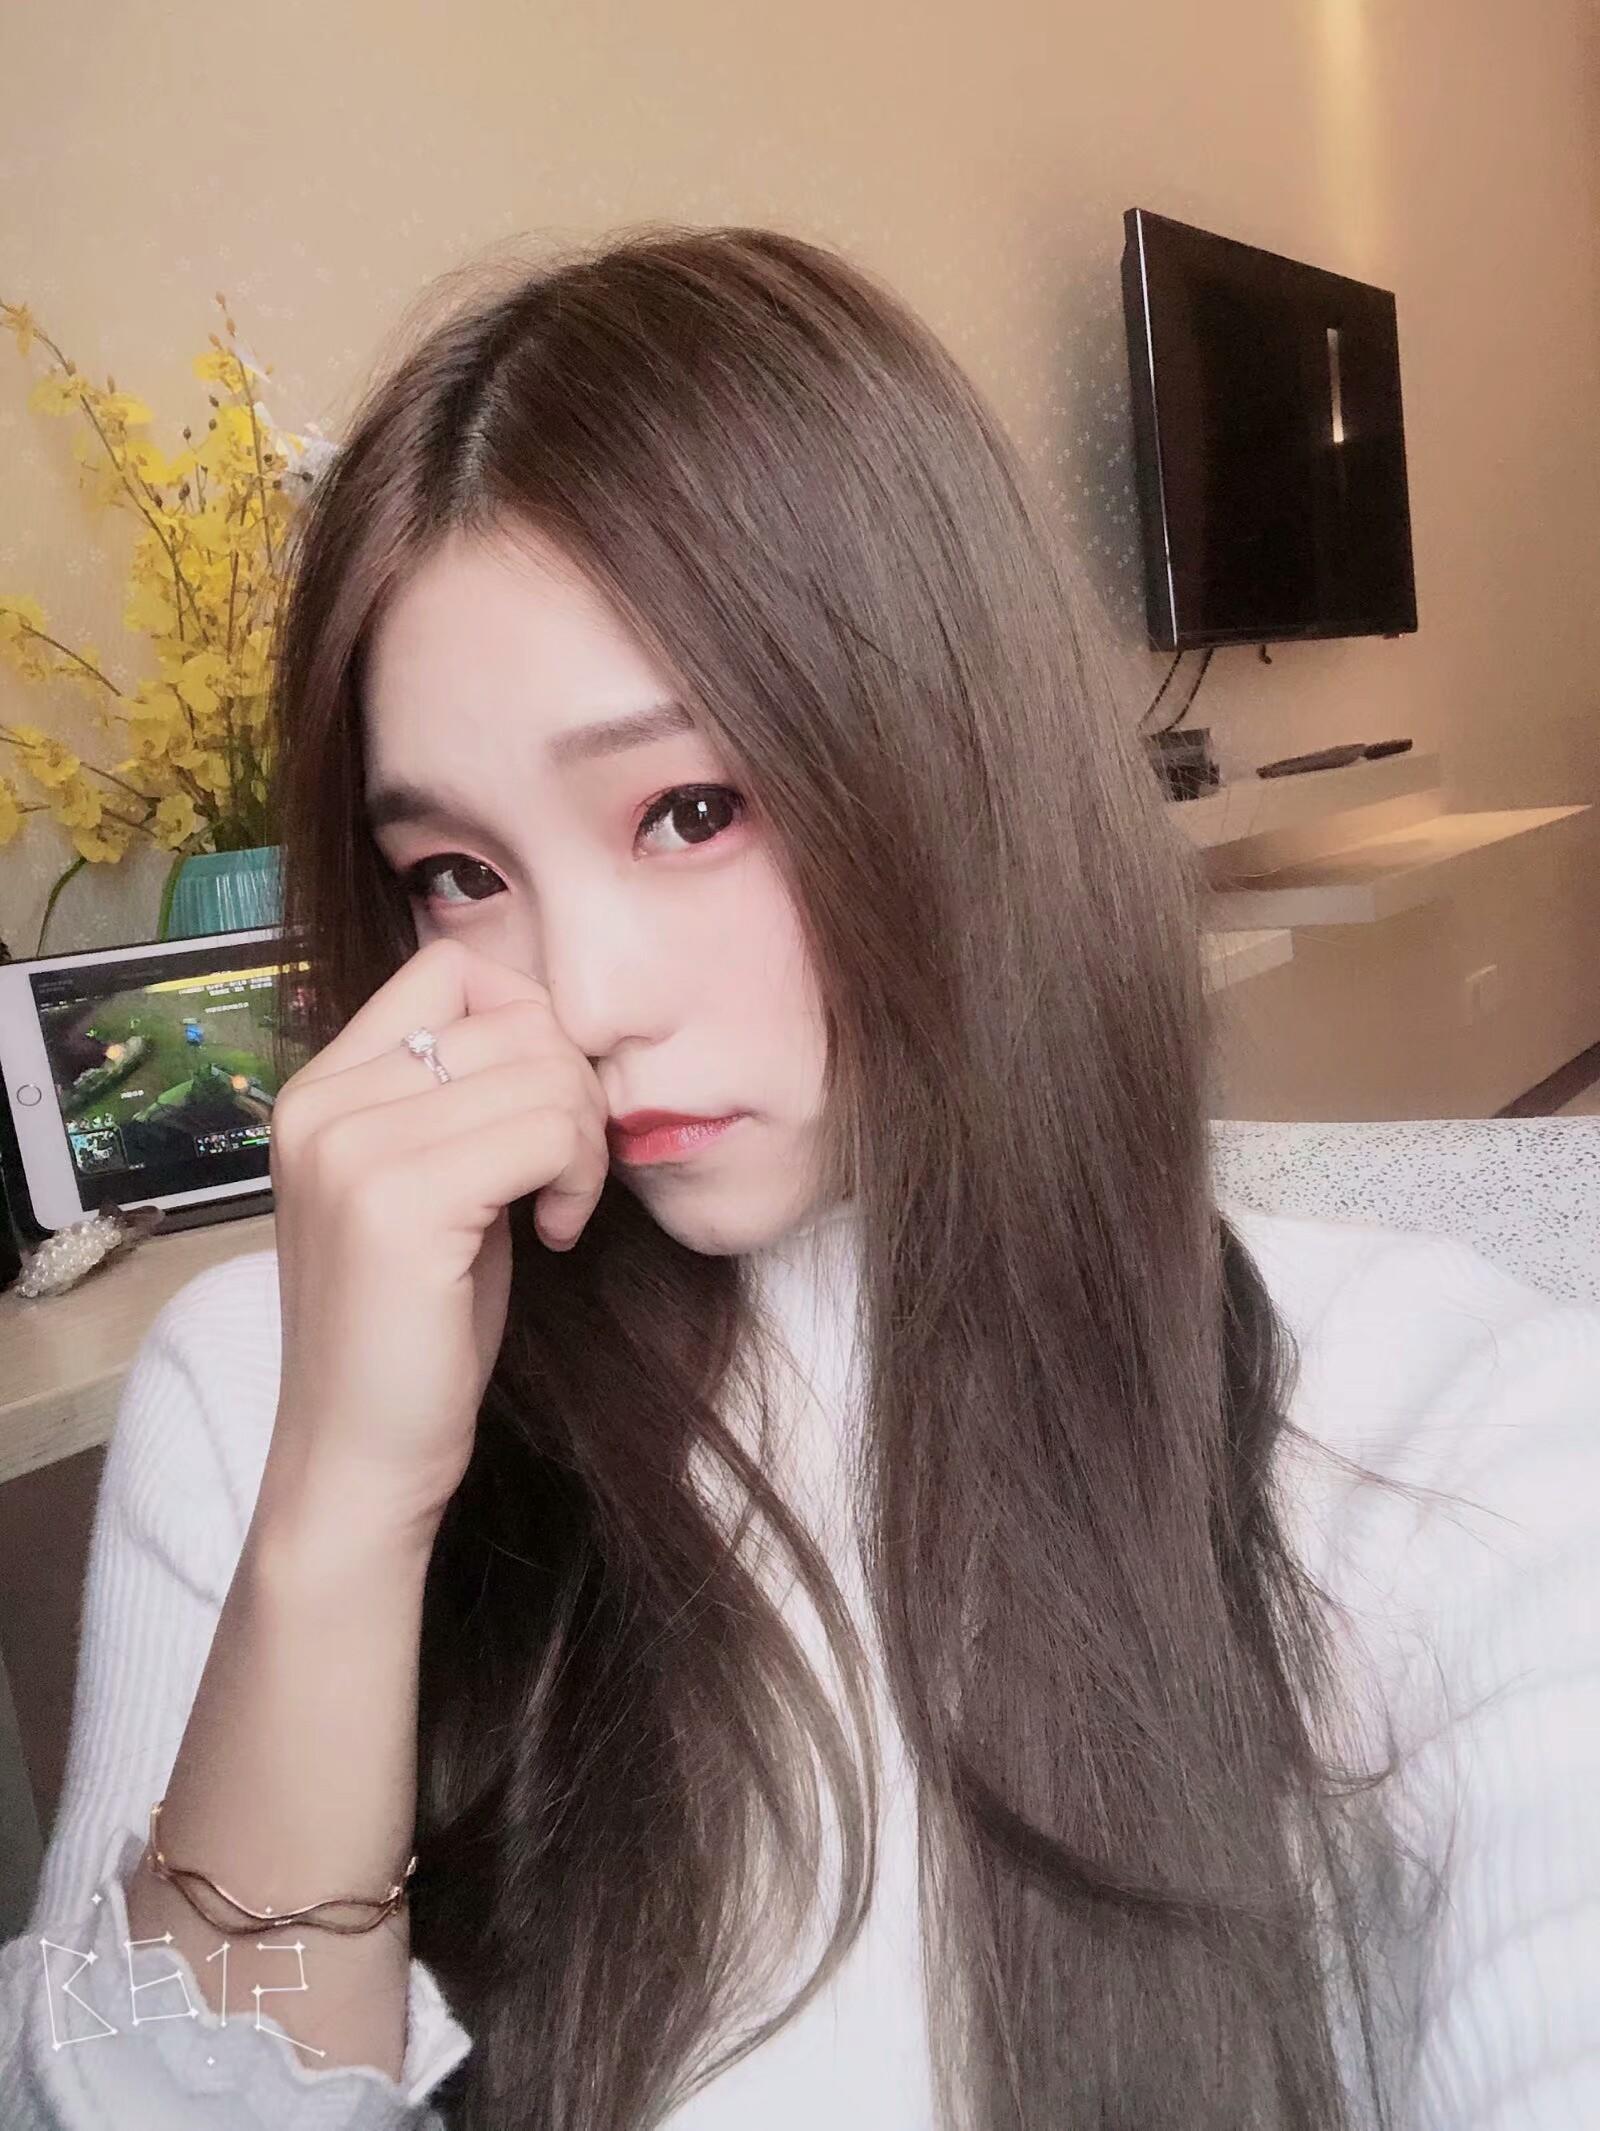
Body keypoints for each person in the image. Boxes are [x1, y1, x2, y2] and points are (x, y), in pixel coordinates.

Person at [1, 225, 1596, 2131]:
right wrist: (343, 1521)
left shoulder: (1438, 1428)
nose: (584, 1000)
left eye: (692, 811)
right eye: (460, 874)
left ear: (955, 753)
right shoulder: (269, 1397)